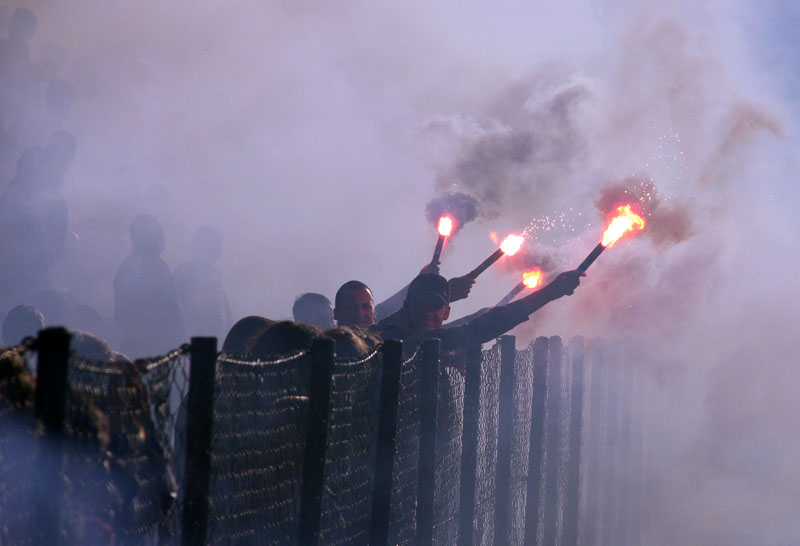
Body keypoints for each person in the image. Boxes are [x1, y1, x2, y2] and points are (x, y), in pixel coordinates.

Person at [374, 270, 584, 353]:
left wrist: (552, 291)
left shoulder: (436, 343)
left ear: (446, 313)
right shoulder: (385, 338)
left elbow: (488, 323)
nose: (428, 311)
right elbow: (486, 326)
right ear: (408, 306)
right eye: (422, 304)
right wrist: (550, 292)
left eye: (435, 305)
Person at [113, 215, 186, 358]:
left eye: (161, 232)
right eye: (157, 233)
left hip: (164, 348)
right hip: (147, 352)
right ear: (142, 236)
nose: (161, 237)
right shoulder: (132, 269)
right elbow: (128, 315)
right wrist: (154, 340)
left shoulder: (158, 265)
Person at [174, 226, 232, 339]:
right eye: (215, 244)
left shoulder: (213, 274)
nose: (219, 249)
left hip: (215, 338)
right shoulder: (186, 272)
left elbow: (222, 309)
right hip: (197, 338)